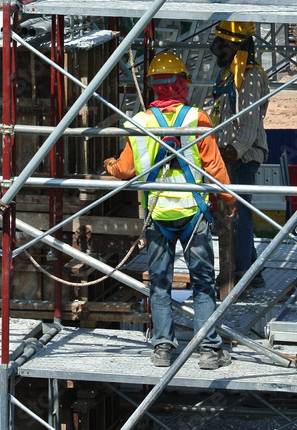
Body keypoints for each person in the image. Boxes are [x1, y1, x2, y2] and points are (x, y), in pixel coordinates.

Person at [104, 51, 236, 370]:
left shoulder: (141, 123)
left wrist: (109, 166)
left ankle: (162, 346)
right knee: (203, 283)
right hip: (193, 215)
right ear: (180, 84)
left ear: (154, 87)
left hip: (158, 216)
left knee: (159, 283)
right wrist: (229, 202)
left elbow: (125, 169)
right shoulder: (197, 119)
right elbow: (215, 167)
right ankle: (209, 349)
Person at [210, 21, 270, 288]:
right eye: (219, 42)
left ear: (240, 44)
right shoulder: (227, 73)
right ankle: (253, 271)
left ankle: (241, 275)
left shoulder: (251, 75)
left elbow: (248, 121)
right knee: (235, 213)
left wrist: (233, 151)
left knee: (239, 215)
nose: (220, 48)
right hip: (228, 154)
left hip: (243, 157)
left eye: (226, 43)